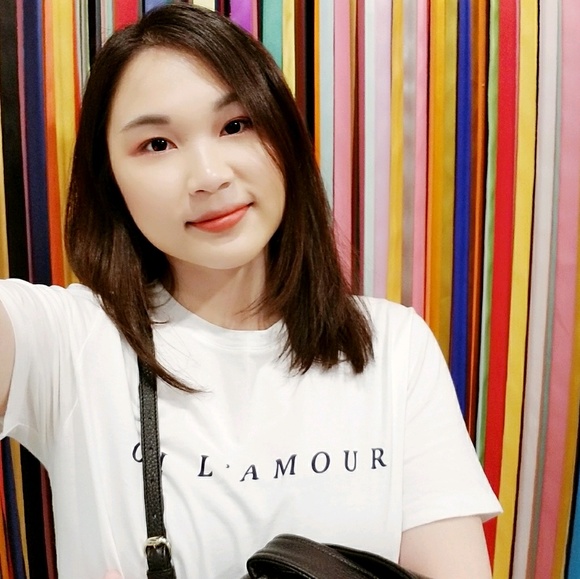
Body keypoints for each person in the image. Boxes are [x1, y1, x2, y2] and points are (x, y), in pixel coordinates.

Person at [0, 4, 501, 578]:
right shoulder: (65, 342)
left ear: (283, 137)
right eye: (157, 144)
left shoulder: (391, 345)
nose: (209, 176)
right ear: (110, 179)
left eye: (236, 125)